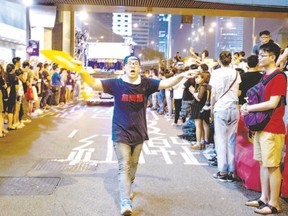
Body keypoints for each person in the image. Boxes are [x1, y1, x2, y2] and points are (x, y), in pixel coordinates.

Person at [80, 54, 198, 216]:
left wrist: (183, 75)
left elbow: (166, 83)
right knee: (124, 166)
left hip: (139, 132)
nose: (133, 66)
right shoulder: (116, 84)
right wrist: (80, 70)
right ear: (125, 67)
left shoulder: (146, 84)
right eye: (130, 63)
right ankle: (125, 202)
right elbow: (93, 84)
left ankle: (129, 184)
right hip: (120, 131)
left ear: (139, 68)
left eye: (136, 63)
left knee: (133, 166)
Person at [241, 43, 286, 214]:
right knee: (263, 163)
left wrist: (249, 108)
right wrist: (248, 105)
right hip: (261, 127)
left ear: (273, 56)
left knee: (272, 166)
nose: (259, 58)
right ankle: (263, 198)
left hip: (272, 128)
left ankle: (274, 204)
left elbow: (273, 103)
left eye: (263, 55)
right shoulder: (265, 76)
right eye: (259, 55)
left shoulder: (279, 77)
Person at [209, 50, 241, 182]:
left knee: (221, 139)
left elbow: (213, 93)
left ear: (219, 61)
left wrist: (212, 107)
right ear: (231, 60)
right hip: (234, 106)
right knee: (232, 139)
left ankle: (222, 170)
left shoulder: (215, 73)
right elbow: (237, 91)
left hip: (221, 107)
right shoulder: (236, 73)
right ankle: (232, 171)